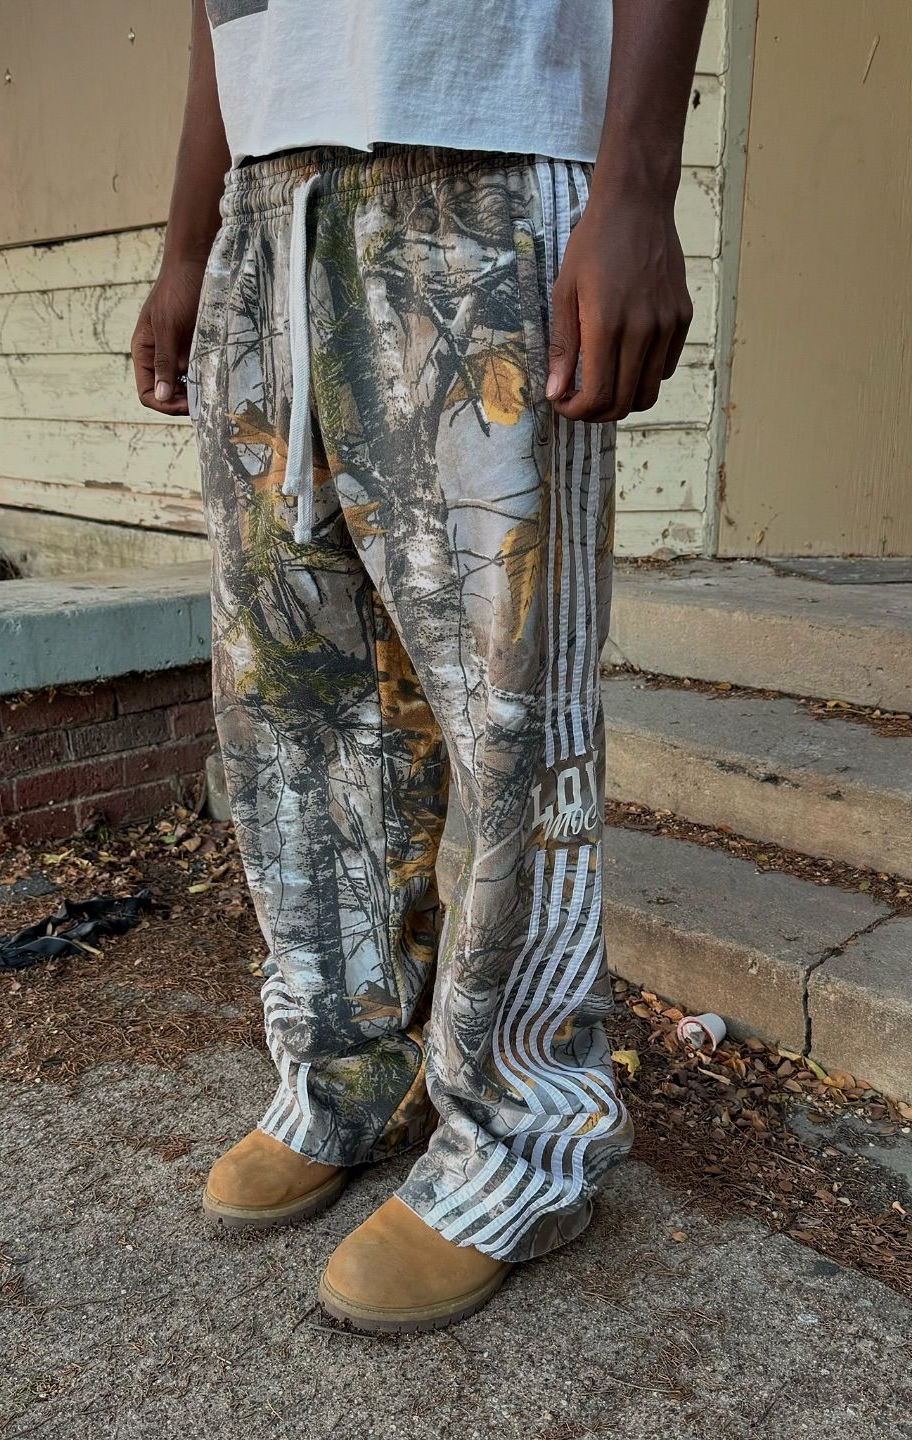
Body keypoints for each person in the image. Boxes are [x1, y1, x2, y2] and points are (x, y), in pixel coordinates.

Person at [133, 0, 708, 1333]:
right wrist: (187, 242)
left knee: (510, 715)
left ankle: (524, 1136)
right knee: (292, 696)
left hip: (486, 166)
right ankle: (347, 1067)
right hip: (267, 211)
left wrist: (634, 186)